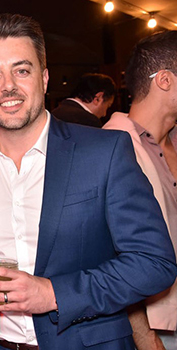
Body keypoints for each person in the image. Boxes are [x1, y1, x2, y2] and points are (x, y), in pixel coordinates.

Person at [0, 13, 177, 350]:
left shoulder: (104, 152)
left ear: (44, 78)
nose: (8, 86)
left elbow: (154, 263)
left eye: (21, 70)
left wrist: (53, 294)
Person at [103, 30, 177, 350]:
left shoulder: (173, 140)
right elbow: (108, 254)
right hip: (158, 327)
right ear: (164, 80)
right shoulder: (109, 148)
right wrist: (144, 335)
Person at [51, 73, 116, 128]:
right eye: (108, 106)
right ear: (98, 98)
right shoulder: (89, 122)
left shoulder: (54, 113)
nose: (104, 114)